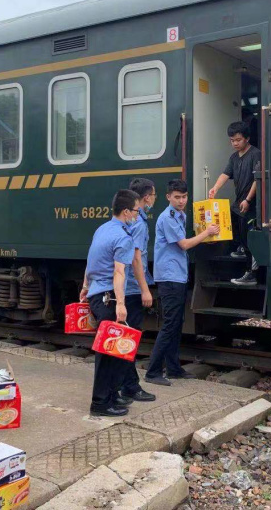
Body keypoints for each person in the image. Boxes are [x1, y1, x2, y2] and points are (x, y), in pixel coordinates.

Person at [145, 179, 219, 386]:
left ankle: (174, 368)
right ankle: (152, 372)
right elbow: (184, 245)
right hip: (169, 277)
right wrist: (207, 233)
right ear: (168, 197)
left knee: (177, 324)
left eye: (184, 197)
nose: (181, 201)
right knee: (170, 324)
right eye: (177, 197)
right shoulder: (167, 218)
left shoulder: (180, 215)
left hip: (177, 275)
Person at [79, 189, 141, 417]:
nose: (138, 214)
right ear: (126, 211)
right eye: (136, 210)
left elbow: (90, 260)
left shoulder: (102, 229)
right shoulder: (124, 237)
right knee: (107, 353)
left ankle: (112, 396)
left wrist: (85, 287)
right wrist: (121, 304)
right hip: (109, 296)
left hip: (97, 293)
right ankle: (100, 404)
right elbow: (119, 273)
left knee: (113, 351)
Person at [207, 121, 262, 286]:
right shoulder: (233, 157)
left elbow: (257, 179)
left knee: (248, 239)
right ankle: (240, 249)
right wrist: (215, 188)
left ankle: (251, 274)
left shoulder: (255, 154)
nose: (235, 143)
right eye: (232, 140)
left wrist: (248, 199)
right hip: (240, 203)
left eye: (238, 140)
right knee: (232, 223)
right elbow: (226, 174)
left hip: (251, 204)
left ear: (247, 138)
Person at [119, 177, 158, 403]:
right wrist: (145, 289)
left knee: (126, 336)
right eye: (153, 195)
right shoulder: (140, 224)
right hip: (133, 288)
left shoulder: (126, 220)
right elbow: (135, 259)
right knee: (130, 338)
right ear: (146, 197)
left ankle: (127, 384)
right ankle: (130, 387)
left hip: (125, 285)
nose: (154, 199)